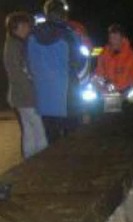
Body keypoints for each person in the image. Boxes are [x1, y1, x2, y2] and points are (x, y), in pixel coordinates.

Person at [27, 0, 87, 144]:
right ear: (63, 14)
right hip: (67, 94)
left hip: (44, 95)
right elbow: (79, 62)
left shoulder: (32, 37)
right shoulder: (69, 36)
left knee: (52, 137)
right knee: (72, 137)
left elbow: (28, 65)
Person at [2, 11, 48, 159]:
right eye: (27, 25)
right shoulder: (17, 46)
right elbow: (23, 73)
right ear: (19, 27)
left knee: (29, 129)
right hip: (26, 95)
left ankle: (30, 159)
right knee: (38, 129)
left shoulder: (12, 44)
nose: (29, 29)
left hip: (19, 95)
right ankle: (42, 159)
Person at [95, 24, 133, 92]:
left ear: (122, 38)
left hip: (126, 94)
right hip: (107, 94)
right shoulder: (103, 55)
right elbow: (99, 74)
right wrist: (100, 86)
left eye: (116, 37)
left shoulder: (132, 56)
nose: (114, 41)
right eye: (111, 38)